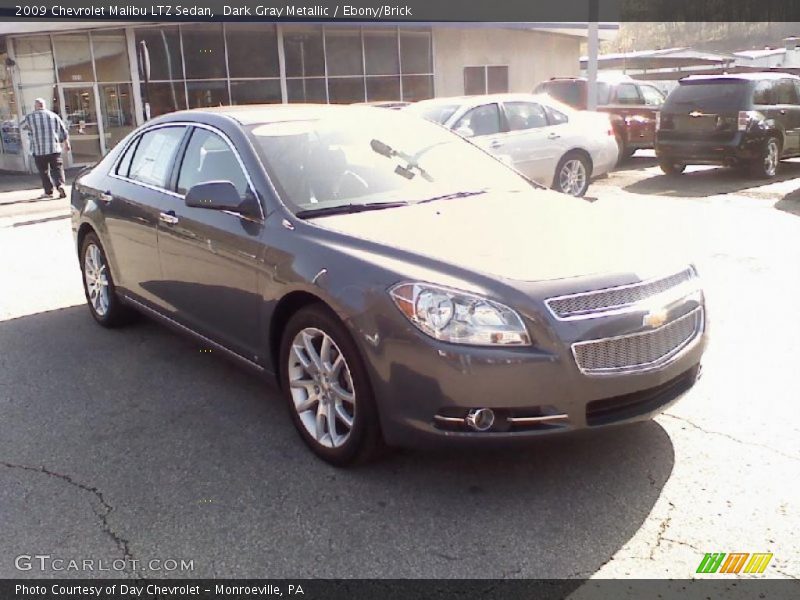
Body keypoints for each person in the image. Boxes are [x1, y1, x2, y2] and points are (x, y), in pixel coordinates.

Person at [21, 98, 71, 199]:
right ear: (44, 105)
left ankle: (48, 192)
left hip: (39, 150)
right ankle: (60, 185)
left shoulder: (30, 117)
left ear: (36, 106)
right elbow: (63, 131)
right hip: (54, 148)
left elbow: (22, 126)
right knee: (57, 169)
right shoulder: (53, 116)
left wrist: (32, 129)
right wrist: (66, 143)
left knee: (44, 171)